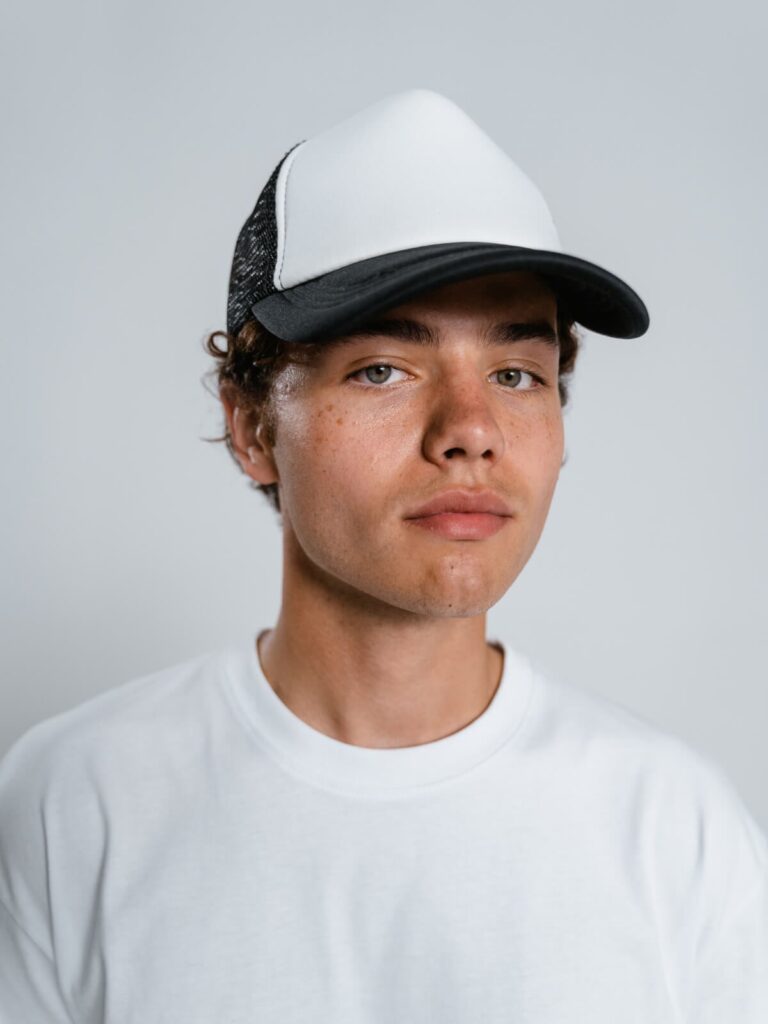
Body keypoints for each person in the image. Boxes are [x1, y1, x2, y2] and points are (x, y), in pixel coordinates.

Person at [0, 88, 766, 1023]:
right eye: (383, 370)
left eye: (516, 373)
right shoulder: (74, 802)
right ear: (252, 428)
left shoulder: (677, 831)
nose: (471, 429)